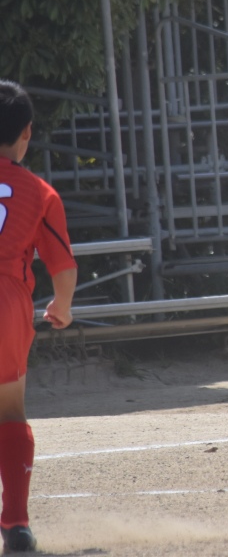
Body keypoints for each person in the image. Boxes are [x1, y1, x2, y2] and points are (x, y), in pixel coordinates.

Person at [0, 80, 76, 552]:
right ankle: (16, 524)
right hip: (6, 302)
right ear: (26, 133)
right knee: (9, 410)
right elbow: (62, 266)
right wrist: (61, 306)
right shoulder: (39, 192)